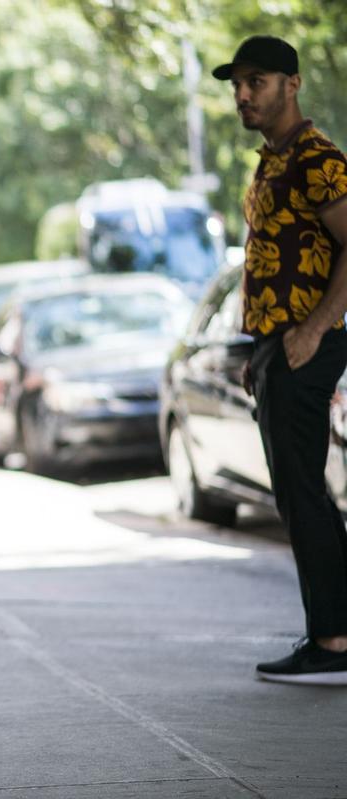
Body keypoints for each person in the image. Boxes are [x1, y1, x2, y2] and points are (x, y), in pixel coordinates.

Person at [216, 36, 347, 684]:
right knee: (297, 493)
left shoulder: (316, 158)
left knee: (303, 490)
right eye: (237, 84)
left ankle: (335, 641)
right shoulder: (275, 161)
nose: (243, 94)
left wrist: (313, 330)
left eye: (257, 81)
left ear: (292, 84)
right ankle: (333, 632)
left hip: (307, 338)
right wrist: (260, 347)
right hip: (279, 342)